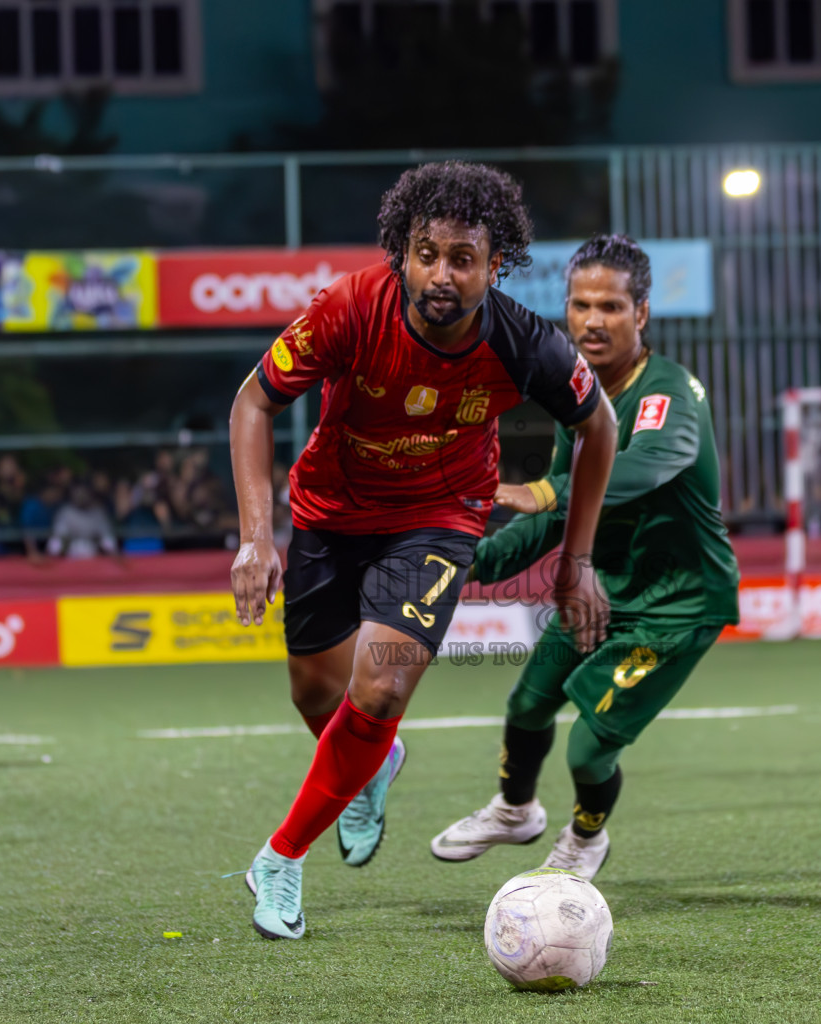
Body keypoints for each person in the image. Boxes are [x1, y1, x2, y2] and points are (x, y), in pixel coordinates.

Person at [229, 161, 618, 940]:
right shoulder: (347, 308)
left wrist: (574, 562)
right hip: (330, 511)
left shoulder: (522, 342)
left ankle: (280, 857)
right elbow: (253, 401)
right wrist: (255, 538)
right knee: (316, 694)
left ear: (493, 264)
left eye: (463, 258)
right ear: (401, 253)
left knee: (377, 688)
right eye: (427, 253)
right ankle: (372, 764)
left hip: (439, 517)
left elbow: (598, 426)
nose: (443, 274)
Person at [430, 235, 741, 880]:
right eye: (580, 305)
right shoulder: (571, 400)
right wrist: (473, 562)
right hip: (602, 588)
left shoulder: (669, 395)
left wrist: (546, 487)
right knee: (526, 707)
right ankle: (516, 811)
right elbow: (552, 519)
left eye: (611, 306)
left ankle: (584, 838)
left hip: (676, 604)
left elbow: (640, 469)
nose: (593, 320)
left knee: (588, 745)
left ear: (642, 314)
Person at [46, 483, 120, 560]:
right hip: (70, 555)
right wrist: (57, 551)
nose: (81, 496)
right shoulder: (65, 512)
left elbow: (107, 537)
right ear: (72, 495)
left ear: (90, 494)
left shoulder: (98, 512)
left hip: (94, 555)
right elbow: (59, 536)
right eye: (78, 494)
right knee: (55, 545)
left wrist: (109, 549)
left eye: (84, 493)